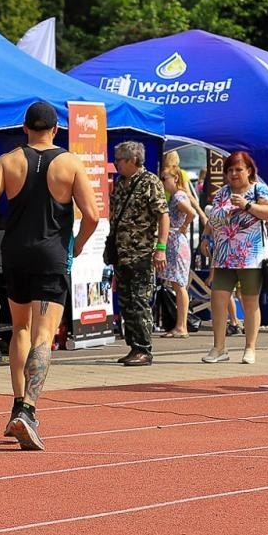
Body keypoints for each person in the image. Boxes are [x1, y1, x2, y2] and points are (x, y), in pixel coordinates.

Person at [0, 101, 100, 450]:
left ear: (25, 128)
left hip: (16, 255)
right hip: (51, 256)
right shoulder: (70, 163)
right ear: (56, 130)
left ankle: (16, 404)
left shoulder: (8, 160)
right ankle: (28, 410)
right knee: (45, 334)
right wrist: (75, 245)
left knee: (20, 330)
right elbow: (91, 215)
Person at [200, 150, 268, 364]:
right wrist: (206, 237)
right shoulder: (222, 193)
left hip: (251, 257)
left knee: (249, 301)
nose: (234, 174)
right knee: (218, 299)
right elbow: (212, 218)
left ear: (249, 171)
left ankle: (250, 347)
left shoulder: (258, 190)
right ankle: (219, 348)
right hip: (224, 255)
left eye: (239, 169)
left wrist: (247, 205)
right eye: (230, 170)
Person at [106, 141, 168, 366]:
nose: (116, 164)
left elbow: (163, 215)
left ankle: (143, 349)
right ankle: (133, 347)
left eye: (119, 160)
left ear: (133, 160)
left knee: (140, 301)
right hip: (122, 254)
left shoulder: (150, 182)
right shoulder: (122, 183)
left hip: (141, 253)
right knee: (126, 302)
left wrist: (160, 249)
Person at [158, 163, 196, 338]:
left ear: (175, 179)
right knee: (177, 283)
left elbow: (191, 212)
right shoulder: (176, 196)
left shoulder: (179, 197)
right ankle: (180, 325)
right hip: (176, 240)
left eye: (165, 179)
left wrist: (184, 226)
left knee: (179, 284)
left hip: (176, 242)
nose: (162, 182)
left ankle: (182, 326)